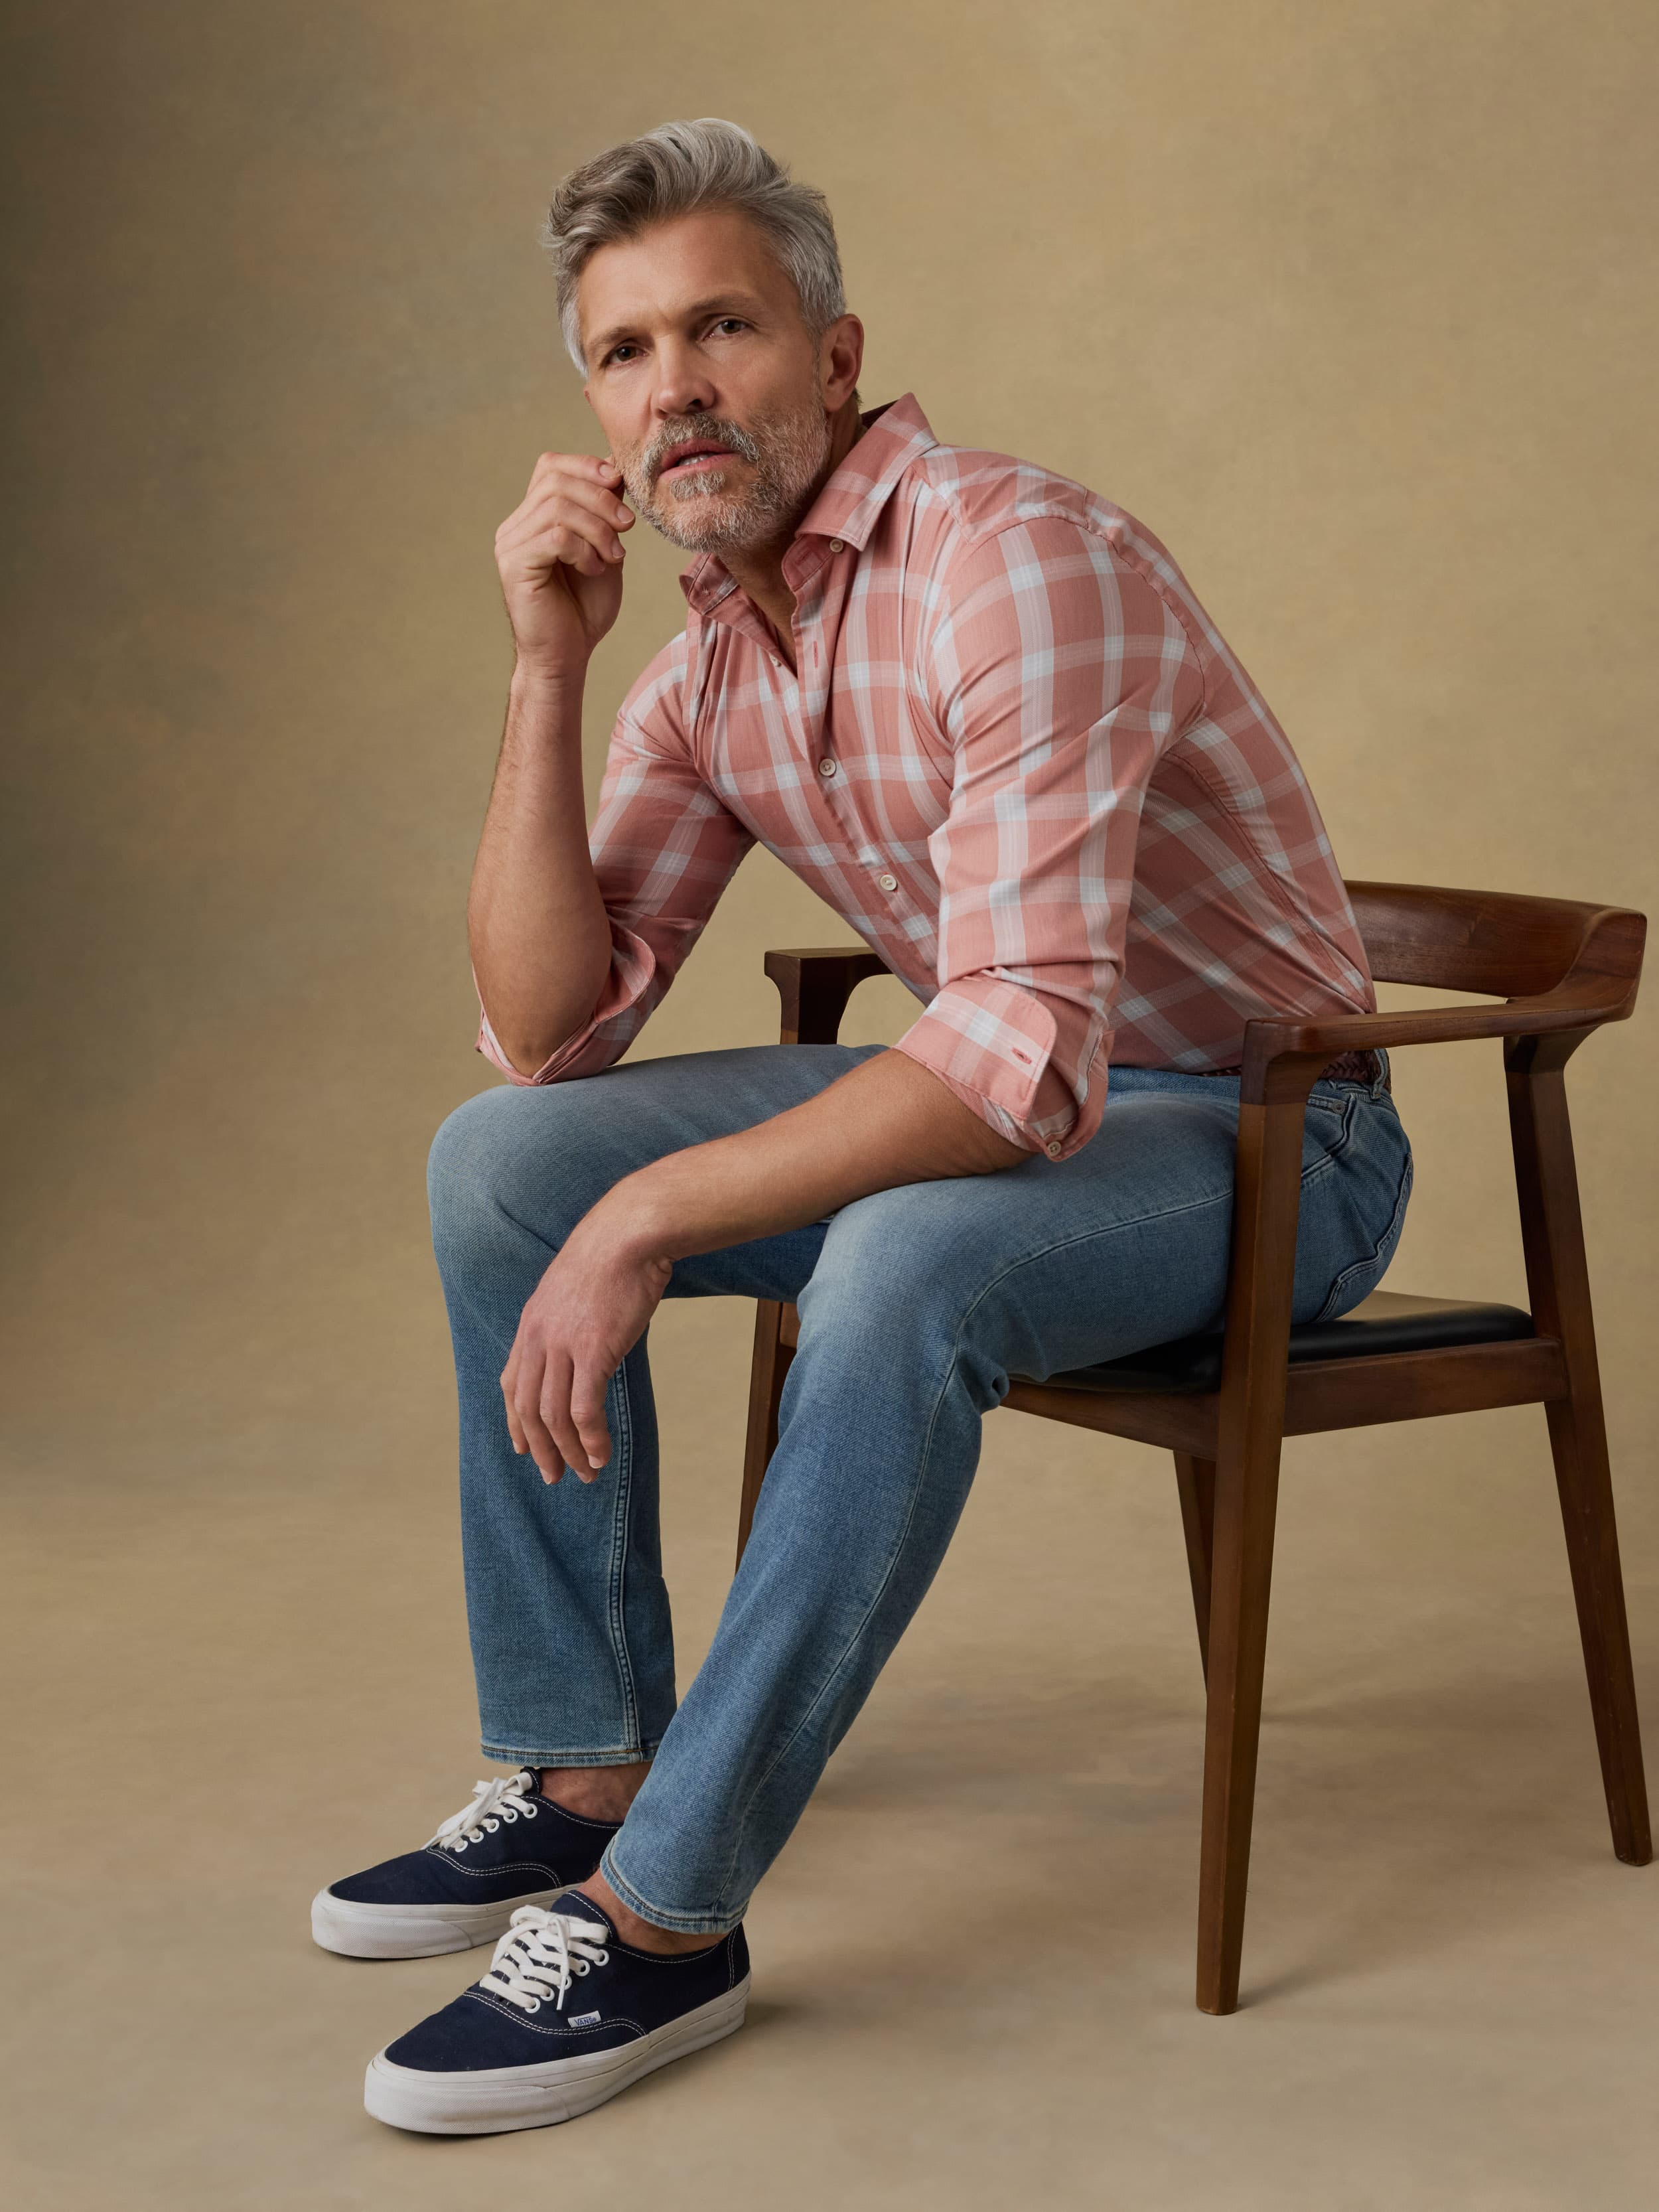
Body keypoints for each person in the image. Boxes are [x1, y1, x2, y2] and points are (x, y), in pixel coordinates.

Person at [313, 117, 1413, 2134]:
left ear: (833, 351)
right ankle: (582, 1777)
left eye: (720, 326)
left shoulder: (1015, 557)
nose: (676, 391)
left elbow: (1010, 1054)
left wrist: (653, 1219)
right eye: (626, 354)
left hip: (1268, 1141)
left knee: (890, 1253)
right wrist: (545, 674)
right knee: (499, 1167)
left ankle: (665, 1923)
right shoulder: (710, 655)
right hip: (1038, 1104)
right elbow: (544, 1034)